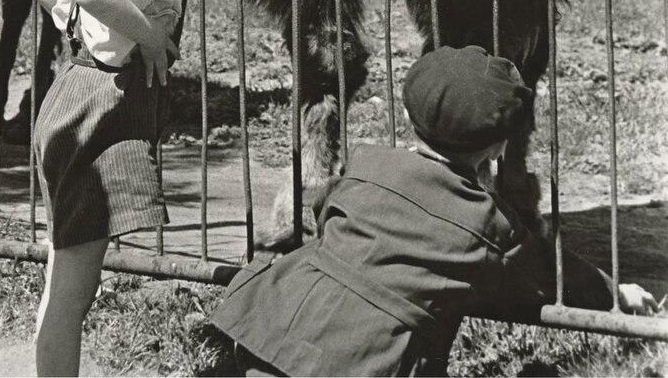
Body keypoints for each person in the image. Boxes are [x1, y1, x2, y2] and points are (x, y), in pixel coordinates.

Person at [211, 45, 658, 377]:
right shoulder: (489, 225)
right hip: (370, 366)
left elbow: (322, 208)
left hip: (272, 339)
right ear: (500, 147)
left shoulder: (363, 167)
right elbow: (546, 276)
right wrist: (615, 293)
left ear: (406, 117)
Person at [31, 0, 189, 378]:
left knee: (63, 271)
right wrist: (146, 38)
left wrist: (78, 31)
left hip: (67, 96)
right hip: (101, 107)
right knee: (74, 288)